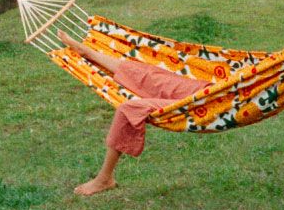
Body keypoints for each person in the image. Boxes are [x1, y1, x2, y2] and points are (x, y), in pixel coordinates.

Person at [59, 32, 211, 195]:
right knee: (146, 74)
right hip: (211, 88)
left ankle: (104, 179)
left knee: (129, 109)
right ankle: (88, 52)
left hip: (214, 101)